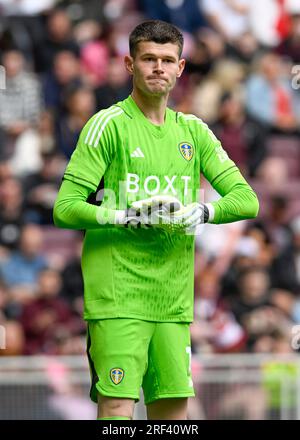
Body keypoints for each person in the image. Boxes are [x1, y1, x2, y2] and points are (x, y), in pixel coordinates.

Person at [53, 20, 259, 420]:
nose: (158, 68)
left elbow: (247, 200)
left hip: (173, 300)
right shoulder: (107, 125)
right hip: (118, 299)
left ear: (181, 68)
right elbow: (65, 207)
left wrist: (200, 211)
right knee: (117, 410)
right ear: (130, 64)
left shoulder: (194, 132)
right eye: (149, 58)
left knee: (173, 415)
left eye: (167, 60)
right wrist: (125, 216)